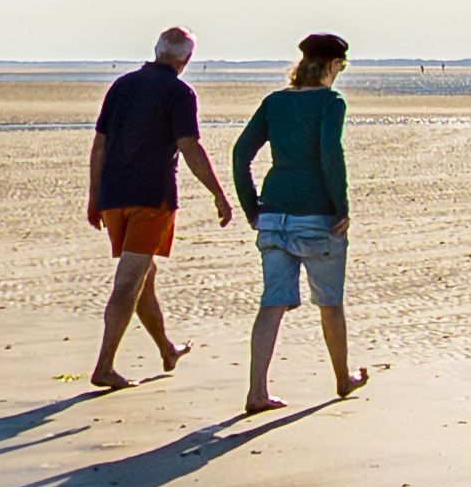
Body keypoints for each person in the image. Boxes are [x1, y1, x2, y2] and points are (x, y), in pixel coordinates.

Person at [79, 24, 229, 388]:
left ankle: (167, 349)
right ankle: (104, 366)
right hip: (151, 196)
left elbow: (99, 144)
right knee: (130, 279)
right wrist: (218, 193)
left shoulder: (122, 85)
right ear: (187, 59)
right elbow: (190, 147)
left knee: (143, 276)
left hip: (114, 194)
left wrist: (94, 195)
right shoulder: (179, 92)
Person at [230, 32, 361, 416]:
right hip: (316, 215)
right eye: (341, 66)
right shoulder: (331, 101)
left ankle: (257, 391)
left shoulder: (275, 101)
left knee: (272, 303)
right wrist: (342, 207)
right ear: (333, 65)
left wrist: (251, 206)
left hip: (273, 213)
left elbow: (241, 153)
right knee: (330, 302)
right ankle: (342, 378)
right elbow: (330, 153)